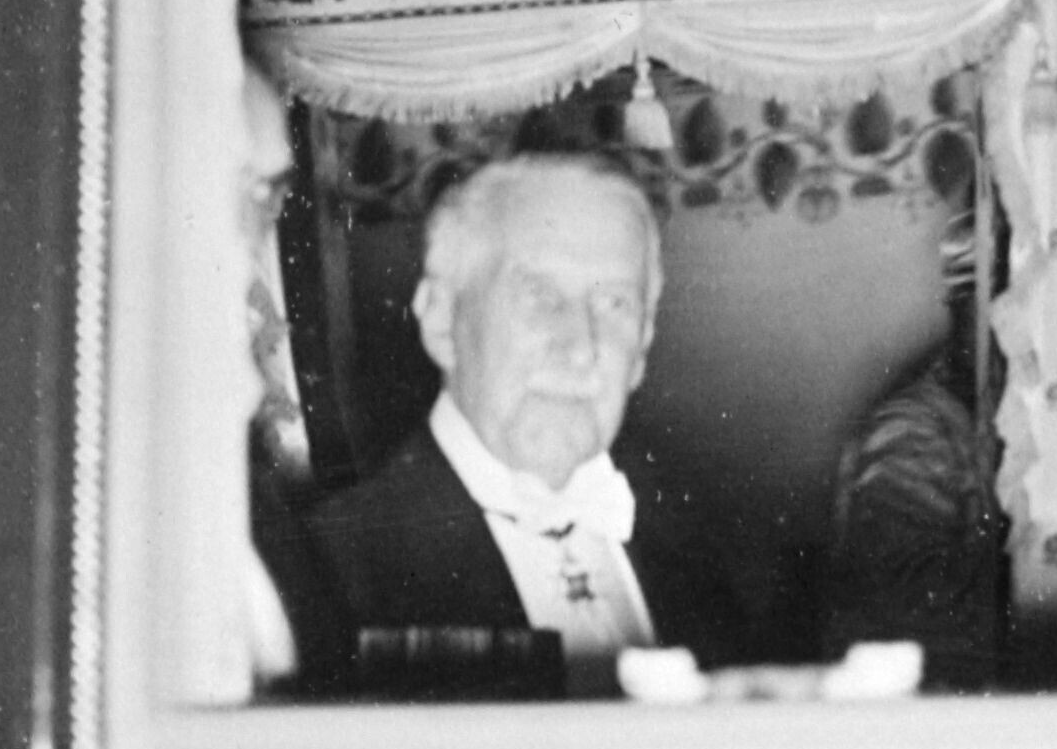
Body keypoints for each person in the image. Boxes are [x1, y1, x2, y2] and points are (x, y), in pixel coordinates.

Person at [302, 149, 754, 693]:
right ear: (442, 320)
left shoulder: (711, 553)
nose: (580, 347)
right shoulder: (330, 572)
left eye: (614, 303)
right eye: (540, 295)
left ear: (643, 345)